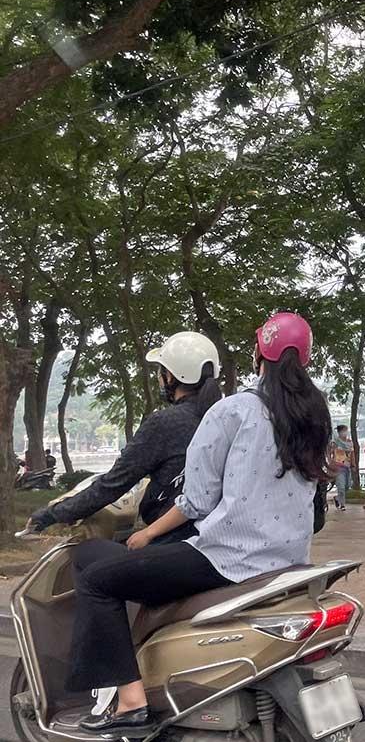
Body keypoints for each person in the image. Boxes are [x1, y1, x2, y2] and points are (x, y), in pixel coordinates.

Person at [63, 312, 331, 735]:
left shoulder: (234, 410)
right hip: (289, 564)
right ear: (307, 359)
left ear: (258, 353)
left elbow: (198, 501)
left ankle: (129, 702)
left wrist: (148, 533)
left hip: (227, 560)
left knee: (97, 580)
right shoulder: (315, 416)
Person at [27, 332, 222, 543]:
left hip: (175, 540)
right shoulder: (223, 418)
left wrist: (51, 514)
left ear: (171, 377)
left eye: (161, 371)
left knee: (88, 557)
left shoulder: (165, 423)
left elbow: (114, 483)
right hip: (217, 537)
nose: (158, 378)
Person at [331, 424, 353, 511]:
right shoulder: (336, 442)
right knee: (341, 487)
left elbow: (352, 453)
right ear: (339, 432)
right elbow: (330, 451)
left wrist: (353, 464)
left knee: (347, 486)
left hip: (347, 466)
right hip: (338, 467)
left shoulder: (349, 442)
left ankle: (337, 498)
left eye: (346, 430)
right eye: (343, 431)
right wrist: (331, 462)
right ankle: (342, 505)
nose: (345, 432)